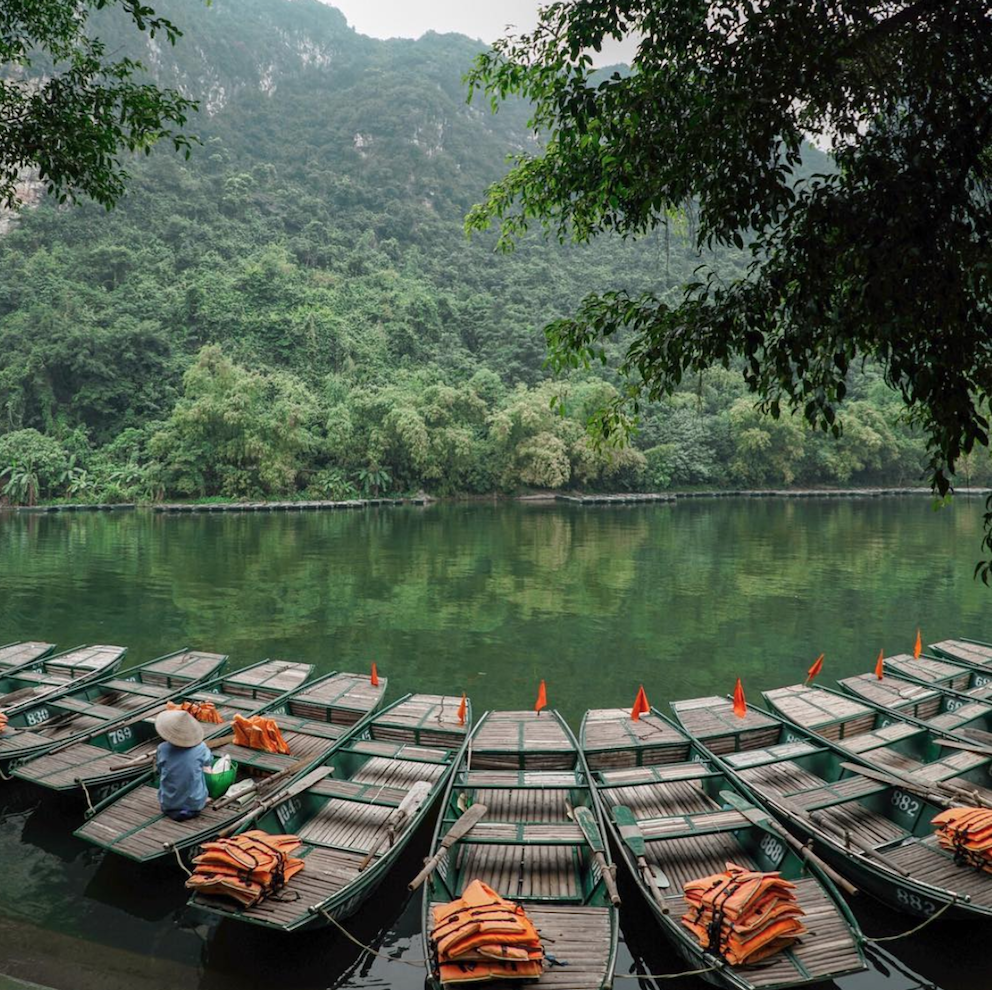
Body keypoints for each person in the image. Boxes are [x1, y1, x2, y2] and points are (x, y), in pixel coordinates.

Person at [154, 708, 212, 822]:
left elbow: (160, 769)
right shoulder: (201, 748)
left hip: (168, 805)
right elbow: (207, 765)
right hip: (195, 806)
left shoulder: (162, 748)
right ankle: (197, 800)